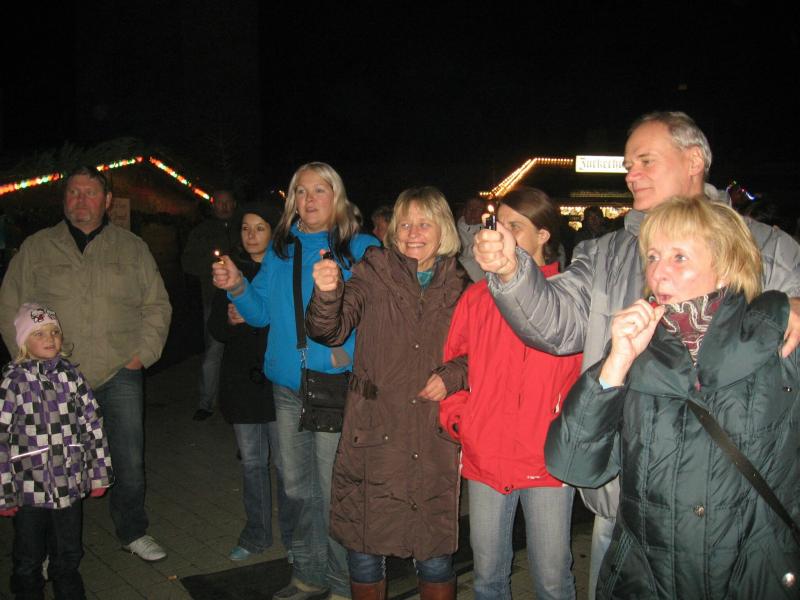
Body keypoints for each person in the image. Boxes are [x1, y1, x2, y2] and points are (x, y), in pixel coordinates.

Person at [473, 111, 800, 599]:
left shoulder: (769, 248)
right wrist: (512, 272)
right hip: (631, 517)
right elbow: (556, 324)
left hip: (745, 528)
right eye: (628, 165)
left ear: (693, 161)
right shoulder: (608, 253)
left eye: (646, 161)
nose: (631, 175)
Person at [545, 195, 800, 599]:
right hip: (647, 582)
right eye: (652, 256)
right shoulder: (635, 352)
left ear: (726, 264)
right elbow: (574, 466)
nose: (658, 272)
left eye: (679, 257)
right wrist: (615, 363)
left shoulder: (779, 338)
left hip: (755, 578)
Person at [211, 162, 379, 600]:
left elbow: (381, 315)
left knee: (331, 491)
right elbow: (260, 315)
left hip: (335, 387)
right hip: (287, 388)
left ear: (337, 196)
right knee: (296, 488)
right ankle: (308, 574)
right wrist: (237, 286)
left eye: (320, 190)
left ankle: (341, 583)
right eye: (301, 191)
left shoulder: (361, 248)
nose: (309, 199)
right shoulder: (282, 249)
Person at [0, 165, 172, 562]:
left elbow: (156, 305)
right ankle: (47, 548)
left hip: (118, 372)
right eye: (73, 193)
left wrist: (141, 356)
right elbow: (10, 304)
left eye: (90, 193)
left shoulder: (131, 247)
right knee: (50, 464)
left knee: (129, 459)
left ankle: (132, 530)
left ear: (107, 200)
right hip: (53, 379)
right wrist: (27, 363)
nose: (81, 200)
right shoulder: (38, 247)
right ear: (64, 200)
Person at [306, 186, 469, 600]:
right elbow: (329, 330)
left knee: (434, 555)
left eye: (424, 224)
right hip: (374, 433)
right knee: (364, 549)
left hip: (431, 436)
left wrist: (453, 375)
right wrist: (327, 294)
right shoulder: (373, 271)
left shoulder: (460, 284)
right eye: (405, 224)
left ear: (443, 229)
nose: (413, 233)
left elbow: (480, 351)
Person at [438, 187, 582, 600]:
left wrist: (568, 431)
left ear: (543, 234)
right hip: (486, 453)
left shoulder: (570, 296)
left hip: (547, 461)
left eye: (515, 227)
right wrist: (461, 419)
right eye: (498, 225)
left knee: (552, 580)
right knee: (487, 577)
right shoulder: (477, 297)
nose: (501, 234)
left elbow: (586, 377)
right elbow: (454, 363)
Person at [1, 304, 113, 599]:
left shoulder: (72, 377)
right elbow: (1, 438)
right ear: (24, 341)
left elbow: (93, 426)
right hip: (29, 490)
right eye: (39, 334)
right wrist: (3, 492)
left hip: (69, 485)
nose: (50, 339)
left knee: (68, 553)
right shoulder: (14, 382)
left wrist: (99, 474)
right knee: (28, 556)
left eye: (54, 332)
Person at [207, 202, 296, 562]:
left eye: (260, 228)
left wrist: (258, 312)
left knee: (286, 466)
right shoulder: (231, 270)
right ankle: (256, 535)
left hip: (277, 381)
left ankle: (294, 539)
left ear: (274, 231)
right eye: (246, 228)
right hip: (242, 382)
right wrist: (230, 320)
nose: (252, 235)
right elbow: (215, 329)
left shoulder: (284, 268)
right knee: (252, 463)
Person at [181, 188, 238, 421]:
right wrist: (213, 266)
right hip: (214, 301)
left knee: (242, 354)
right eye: (219, 202)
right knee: (213, 351)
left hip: (245, 300)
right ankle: (206, 402)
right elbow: (187, 262)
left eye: (228, 202)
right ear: (213, 205)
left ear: (234, 204)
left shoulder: (243, 228)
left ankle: (239, 403)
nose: (223, 207)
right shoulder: (202, 232)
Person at [457, 196, 486, 282]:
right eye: (470, 208)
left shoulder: (490, 226)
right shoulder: (454, 230)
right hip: (468, 281)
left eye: (478, 208)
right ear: (464, 211)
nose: (473, 212)